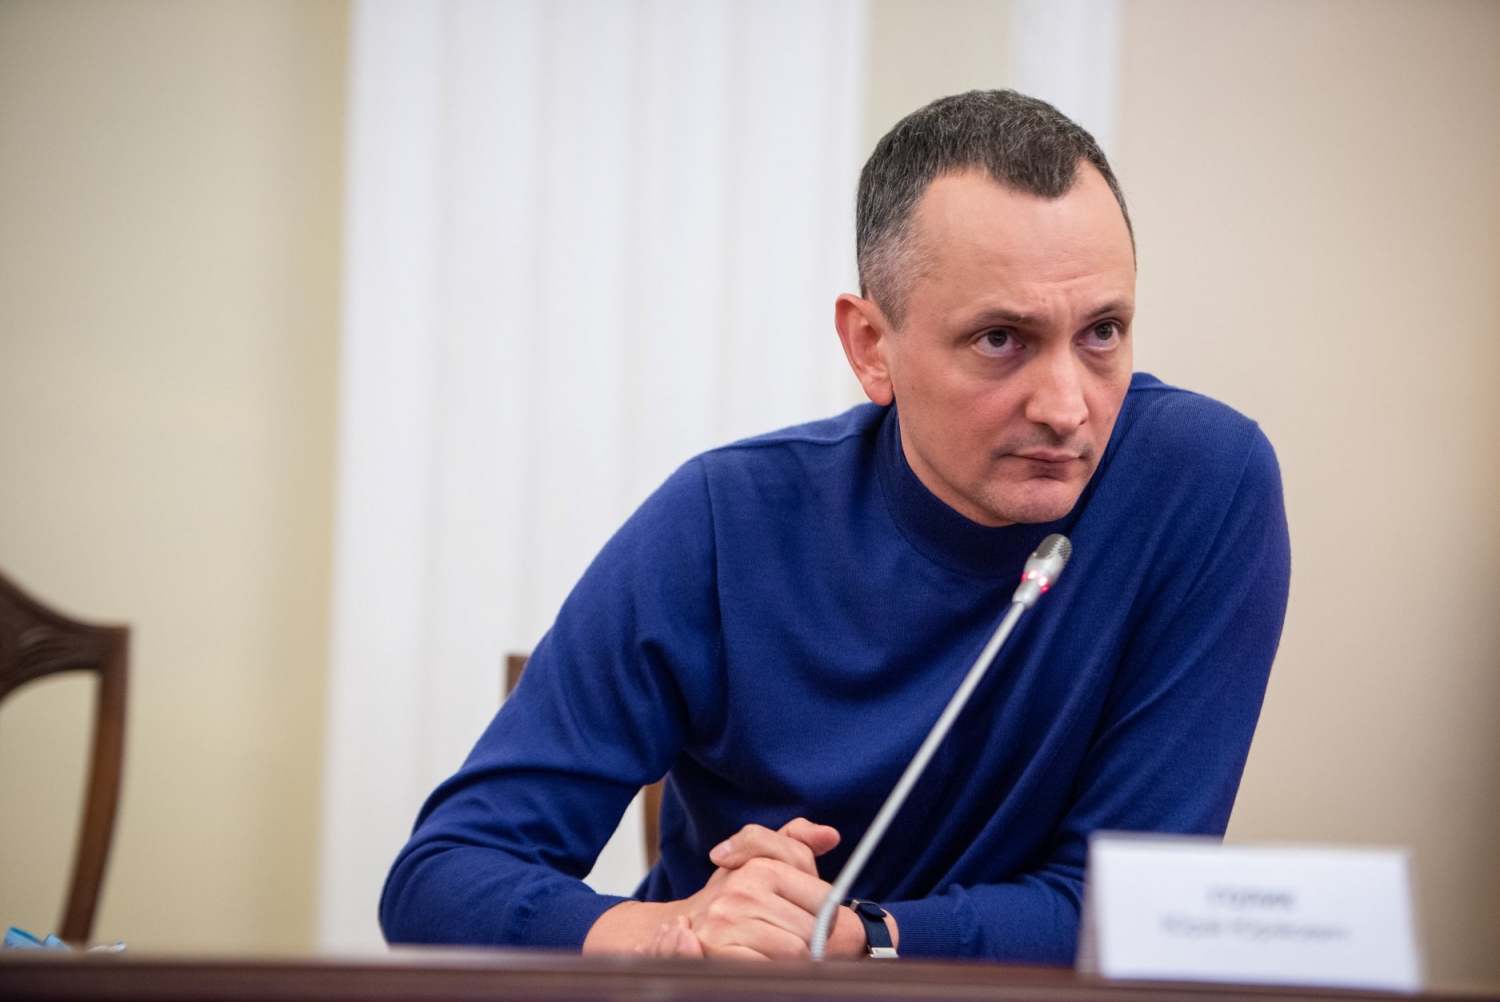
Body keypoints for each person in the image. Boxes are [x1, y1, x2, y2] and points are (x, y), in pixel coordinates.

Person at [379, 90, 1290, 964]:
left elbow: (1126, 909)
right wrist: (675, 931)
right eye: (1000, 340)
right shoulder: (724, 521)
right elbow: (441, 878)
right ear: (870, 347)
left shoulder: (1201, 484)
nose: (1066, 407)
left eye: (1102, 333)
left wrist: (857, 937)